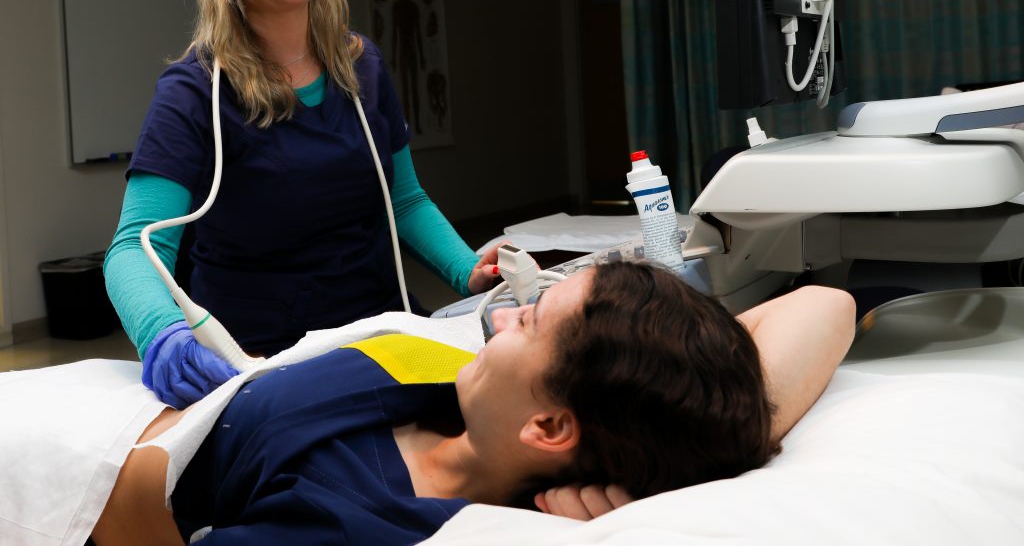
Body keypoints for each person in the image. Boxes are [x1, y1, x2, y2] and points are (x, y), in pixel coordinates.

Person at [103, 0, 499, 409]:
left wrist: (468, 271)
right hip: (267, 362)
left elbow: (403, 200)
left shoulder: (362, 66)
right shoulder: (195, 92)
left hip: (383, 334)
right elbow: (134, 248)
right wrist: (161, 333)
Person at [90, 262, 855, 545]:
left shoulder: (350, 515)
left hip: (73, 466)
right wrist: (713, 421)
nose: (510, 313)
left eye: (533, 319)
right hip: (147, 390)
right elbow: (828, 303)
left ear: (549, 426)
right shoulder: (474, 395)